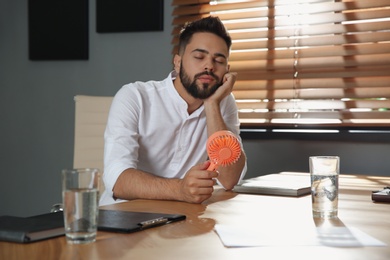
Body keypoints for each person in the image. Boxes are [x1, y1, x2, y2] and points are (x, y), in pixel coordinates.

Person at [99, 16, 247, 206]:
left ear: (226, 70)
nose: (209, 66)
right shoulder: (134, 96)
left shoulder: (222, 103)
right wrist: (180, 189)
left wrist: (211, 104)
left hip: (183, 218)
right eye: (199, 57)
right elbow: (117, 179)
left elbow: (229, 179)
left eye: (218, 60)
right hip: (126, 213)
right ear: (177, 63)